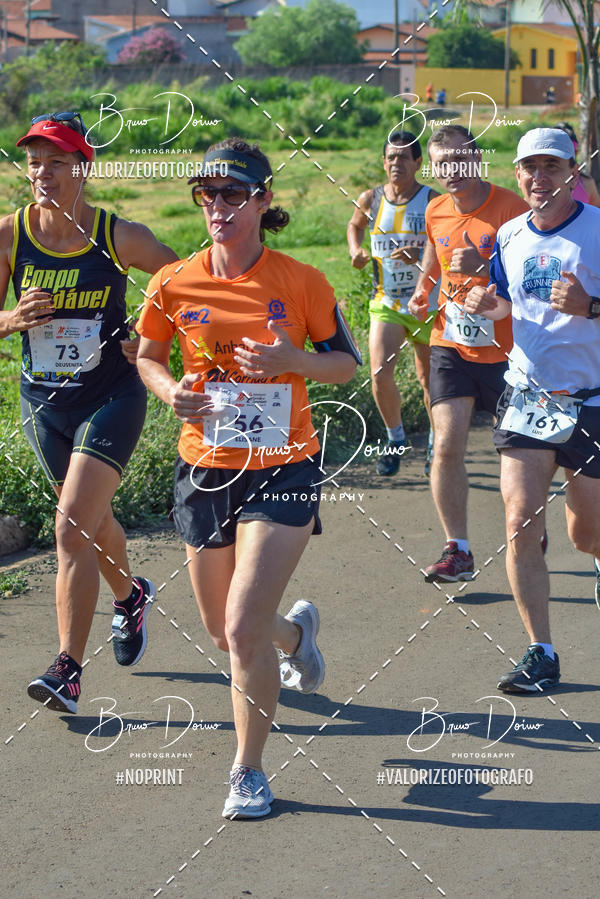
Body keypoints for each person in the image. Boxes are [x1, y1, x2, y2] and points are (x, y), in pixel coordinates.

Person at [136, 138, 360, 818]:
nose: (218, 207)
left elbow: (345, 365)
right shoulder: (173, 281)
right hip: (205, 468)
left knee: (240, 626)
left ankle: (249, 771)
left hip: (283, 467)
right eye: (207, 194)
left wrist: (295, 359)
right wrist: (170, 391)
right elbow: (148, 356)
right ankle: (294, 637)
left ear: (263, 201)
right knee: (224, 630)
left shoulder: (303, 281)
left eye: (233, 194)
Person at [0, 112, 177, 713]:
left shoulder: (118, 234)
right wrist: (12, 319)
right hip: (44, 401)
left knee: (70, 525)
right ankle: (131, 596)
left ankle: (67, 671)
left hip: (111, 395)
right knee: (89, 522)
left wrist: (151, 335)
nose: (42, 173)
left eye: (56, 162)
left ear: (82, 169)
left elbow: (185, 282)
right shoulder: (10, 235)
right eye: (34, 162)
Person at [465, 127, 600, 692]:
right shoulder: (509, 234)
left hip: (591, 402)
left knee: (586, 535)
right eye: (530, 168)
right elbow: (507, 302)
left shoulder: (597, 230)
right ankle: (540, 652)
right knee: (520, 522)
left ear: (573, 173)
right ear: (517, 175)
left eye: (552, 167)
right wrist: (488, 304)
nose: (540, 178)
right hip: (527, 396)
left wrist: (591, 306)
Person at [408, 125, 527, 582]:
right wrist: (423, 288)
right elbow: (433, 250)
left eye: (459, 160)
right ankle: (457, 550)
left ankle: (528, 530)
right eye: (442, 164)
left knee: (517, 453)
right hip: (450, 344)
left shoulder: (511, 209)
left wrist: (486, 266)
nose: (451, 171)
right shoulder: (435, 208)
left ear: (477, 160)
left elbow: (532, 275)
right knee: (446, 444)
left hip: (507, 352)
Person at [347, 130, 439, 476]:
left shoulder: (433, 200)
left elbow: (446, 242)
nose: (396, 163)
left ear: (418, 162)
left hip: (427, 303)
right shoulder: (370, 198)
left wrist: (420, 252)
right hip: (385, 300)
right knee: (379, 373)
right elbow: (354, 226)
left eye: (403, 157)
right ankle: (395, 440)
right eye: (391, 157)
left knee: (429, 381)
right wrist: (355, 250)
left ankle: (436, 446)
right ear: (383, 162)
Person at [554, 122, 600, 207]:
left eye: (568, 153)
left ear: (576, 152)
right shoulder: (541, 185)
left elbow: (597, 212)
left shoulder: (587, 184)